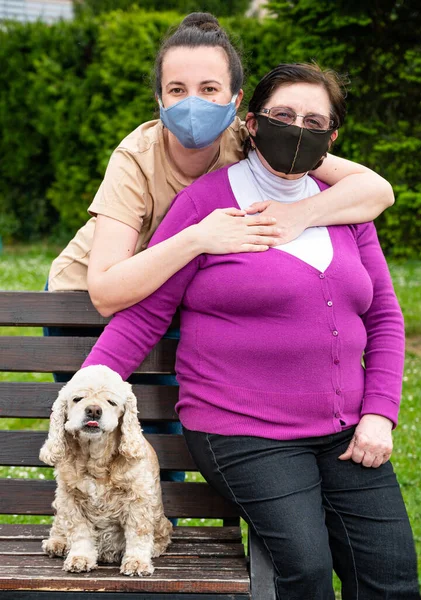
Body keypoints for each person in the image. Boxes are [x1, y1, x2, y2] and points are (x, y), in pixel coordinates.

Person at [80, 63, 420, 599]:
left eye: (314, 121)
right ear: (254, 124)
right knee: (305, 572)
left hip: (347, 430)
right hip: (243, 431)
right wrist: (87, 389)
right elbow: (146, 314)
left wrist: (379, 413)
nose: (297, 130)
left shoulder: (349, 209)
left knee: (392, 576)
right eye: (283, 116)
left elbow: (384, 317)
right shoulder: (206, 204)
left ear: (331, 139)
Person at [45, 13, 395, 494]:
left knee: (157, 437)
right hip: (88, 296)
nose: (193, 103)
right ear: (159, 99)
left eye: (209, 89)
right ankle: (87, 528)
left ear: (237, 104)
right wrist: (196, 237)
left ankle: (155, 533)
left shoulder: (256, 140)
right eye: (177, 89)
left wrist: (301, 215)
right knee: (94, 437)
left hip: (166, 292)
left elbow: (375, 190)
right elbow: (106, 291)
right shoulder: (136, 156)